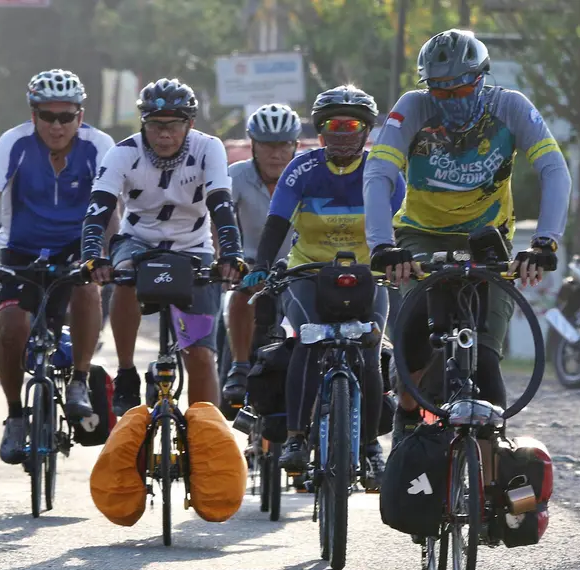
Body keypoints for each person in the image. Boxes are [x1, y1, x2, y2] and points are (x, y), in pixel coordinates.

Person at [362, 29, 570, 445]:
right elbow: (379, 173)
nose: (451, 99)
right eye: (440, 90)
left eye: (460, 88)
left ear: (481, 78)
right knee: (414, 343)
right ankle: (406, 413)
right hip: (421, 235)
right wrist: (383, 245)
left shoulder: (510, 107)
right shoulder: (413, 108)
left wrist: (545, 242)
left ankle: (488, 477)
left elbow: (554, 170)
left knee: (488, 364)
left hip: (486, 237)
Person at [243, 85, 404, 480]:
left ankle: (369, 447)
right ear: (320, 131)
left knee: (369, 349)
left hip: (369, 274)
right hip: (308, 271)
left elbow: (404, 226)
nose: (344, 133)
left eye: (353, 125)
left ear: (368, 131)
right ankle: (296, 438)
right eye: (335, 124)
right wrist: (262, 265)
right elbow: (276, 223)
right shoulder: (302, 169)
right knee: (308, 340)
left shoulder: (384, 172)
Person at [0, 68, 116, 465]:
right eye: (48, 116)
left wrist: (107, 255)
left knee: (86, 291)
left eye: (66, 116)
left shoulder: (99, 146)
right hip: (21, 252)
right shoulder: (13, 144)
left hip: (78, 248)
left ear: (80, 117)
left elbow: (111, 208)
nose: (57, 125)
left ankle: (79, 380)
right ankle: (15, 415)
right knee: (13, 329)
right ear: (34, 116)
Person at [77, 78, 244, 412]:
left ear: (190, 124)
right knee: (124, 276)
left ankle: (205, 436)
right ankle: (126, 373)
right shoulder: (123, 152)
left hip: (193, 248)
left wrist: (232, 254)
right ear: (144, 124)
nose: (164, 135)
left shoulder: (208, 147)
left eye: (173, 125)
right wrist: (93, 256)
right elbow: (98, 209)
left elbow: (221, 204)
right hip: (138, 242)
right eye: (155, 125)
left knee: (199, 355)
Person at [221, 103, 303, 404]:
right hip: (251, 266)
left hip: (300, 267)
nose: (276, 153)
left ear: (295, 145)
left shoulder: (306, 173)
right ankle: (240, 366)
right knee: (241, 292)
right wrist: (229, 263)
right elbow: (221, 222)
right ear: (253, 145)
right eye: (268, 145)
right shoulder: (236, 175)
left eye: (284, 145)